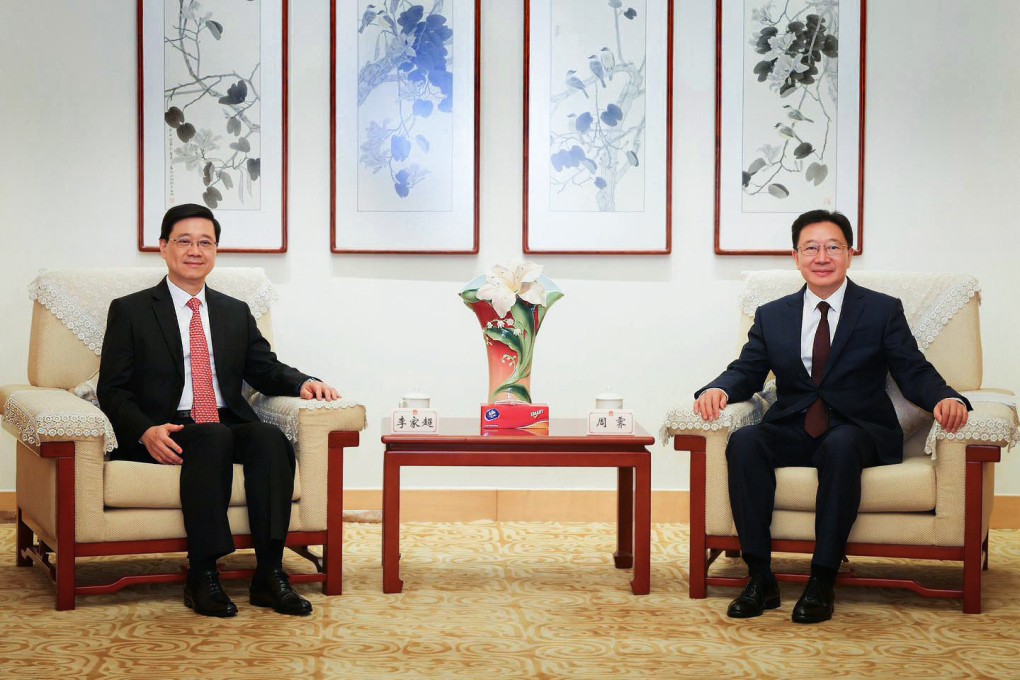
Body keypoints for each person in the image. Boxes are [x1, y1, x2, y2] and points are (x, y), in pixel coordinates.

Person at [693, 209, 970, 624]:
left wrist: (946, 398)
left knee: (840, 445)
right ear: (796, 257)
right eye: (811, 248)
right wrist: (718, 389)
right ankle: (760, 577)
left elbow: (913, 369)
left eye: (833, 247)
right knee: (745, 441)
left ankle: (822, 580)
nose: (822, 257)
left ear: (849, 254)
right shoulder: (773, 314)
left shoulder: (881, 310)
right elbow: (747, 369)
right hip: (794, 426)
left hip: (858, 430)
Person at [98, 204, 340, 618]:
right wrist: (145, 430)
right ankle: (203, 574)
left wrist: (303, 382)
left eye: (205, 242)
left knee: (268, 437)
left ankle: (270, 574)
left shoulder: (233, 311)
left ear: (215, 251)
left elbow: (263, 368)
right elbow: (112, 389)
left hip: (224, 422)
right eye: (184, 241)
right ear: (163, 247)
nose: (195, 251)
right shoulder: (131, 310)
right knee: (213, 438)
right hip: (168, 427)